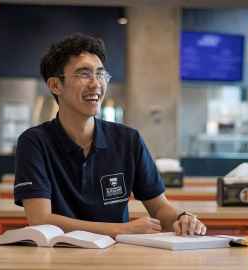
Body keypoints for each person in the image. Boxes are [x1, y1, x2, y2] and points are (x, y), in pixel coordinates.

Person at [14, 33, 206, 238]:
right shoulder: (34, 142)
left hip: (116, 257)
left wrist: (181, 217)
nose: (96, 83)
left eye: (100, 74)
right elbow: (40, 219)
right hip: (57, 255)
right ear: (55, 85)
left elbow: (159, 208)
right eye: (84, 74)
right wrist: (120, 230)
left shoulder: (128, 140)